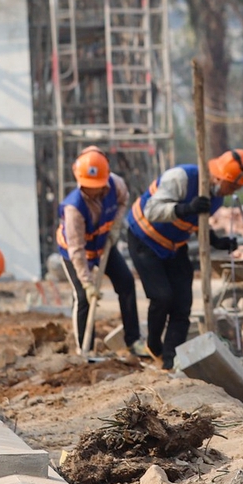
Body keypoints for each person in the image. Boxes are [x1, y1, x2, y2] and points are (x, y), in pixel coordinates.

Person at [126, 148, 243, 369]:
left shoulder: (217, 198)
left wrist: (217, 241)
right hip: (144, 239)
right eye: (232, 185)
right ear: (218, 177)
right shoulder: (181, 178)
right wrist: (185, 208)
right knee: (162, 296)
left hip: (174, 246)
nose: (233, 191)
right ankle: (153, 345)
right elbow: (152, 210)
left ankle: (170, 360)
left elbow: (197, 223)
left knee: (183, 304)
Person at [56, 147, 144, 358]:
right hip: (76, 253)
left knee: (126, 283)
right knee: (83, 298)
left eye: (95, 186)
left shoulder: (116, 184)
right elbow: (76, 249)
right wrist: (87, 282)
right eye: (86, 186)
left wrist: (115, 228)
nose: (90, 190)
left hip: (104, 244)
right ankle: (85, 350)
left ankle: (133, 340)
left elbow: (123, 201)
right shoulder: (74, 209)